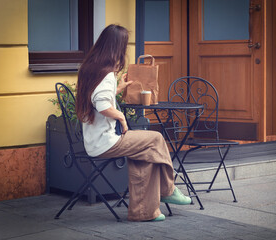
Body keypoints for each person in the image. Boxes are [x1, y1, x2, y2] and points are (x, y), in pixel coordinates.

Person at [76, 24, 191, 222]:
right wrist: (121, 117)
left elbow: (97, 98)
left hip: (94, 140)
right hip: (106, 142)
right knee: (155, 138)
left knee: (146, 154)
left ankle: (143, 212)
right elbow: (102, 105)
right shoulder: (107, 73)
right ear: (117, 48)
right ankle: (168, 189)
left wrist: (119, 88)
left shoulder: (91, 68)